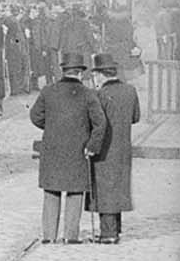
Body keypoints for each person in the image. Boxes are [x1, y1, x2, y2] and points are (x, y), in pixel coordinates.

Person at [29, 52, 107, 242]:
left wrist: (53, 127)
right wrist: (92, 145)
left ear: (63, 71)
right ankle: (70, 237)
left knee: (51, 191)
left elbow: (35, 116)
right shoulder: (88, 94)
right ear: (80, 73)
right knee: (75, 191)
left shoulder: (48, 91)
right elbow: (101, 123)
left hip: (52, 149)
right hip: (78, 150)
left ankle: (49, 237)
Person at [88, 52, 141, 243]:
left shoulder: (99, 95)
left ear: (101, 74)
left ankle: (108, 234)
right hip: (124, 148)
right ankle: (116, 228)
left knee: (105, 189)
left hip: (104, 149)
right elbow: (136, 117)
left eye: (95, 75)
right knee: (118, 186)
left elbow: (93, 122)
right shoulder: (130, 90)